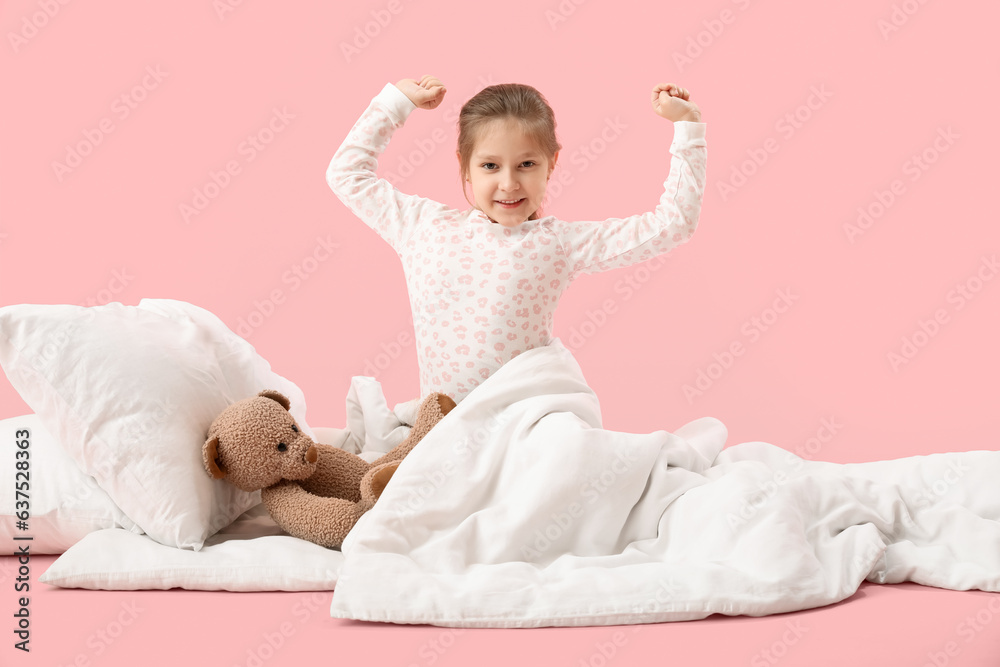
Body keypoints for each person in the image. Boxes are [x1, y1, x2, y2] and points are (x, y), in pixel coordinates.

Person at [326, 75, 705, 405]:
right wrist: (396, 103)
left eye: (526, 164)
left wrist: (687, 128)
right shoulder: (423, 227)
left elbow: (673, 224)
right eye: (490, 165)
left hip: (526, 429)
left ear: (552, 162)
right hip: (443, 431)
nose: (508, 183)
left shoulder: (558, 244)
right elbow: (346, 174)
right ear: (465, 165)